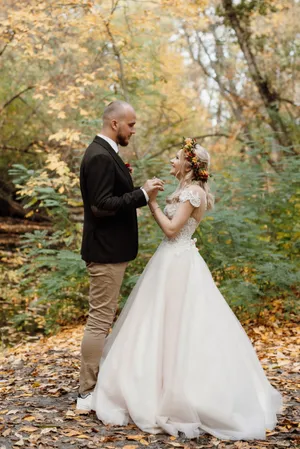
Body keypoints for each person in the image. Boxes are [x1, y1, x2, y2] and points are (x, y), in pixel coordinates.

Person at [92, 137, 282, 440]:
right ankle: (155, 382)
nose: (171, 161)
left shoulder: (193, 192)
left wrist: (151, 201)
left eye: (177, 157)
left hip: (178, 263)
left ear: (190, 166)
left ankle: (178, 392)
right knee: (159, 324)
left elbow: (170, 230)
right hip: (169, 261)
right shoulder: (184, 190)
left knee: (180, 325)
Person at [77, 101, 164, 412]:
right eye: (131, 124)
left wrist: (140, 193)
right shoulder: (99, 156)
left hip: (110, 250)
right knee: (99, 319)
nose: (134, 129)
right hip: (105, 251)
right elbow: (101, 205)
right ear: (114, 123)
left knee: (103, 317)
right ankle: (87, 392)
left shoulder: (105, 153)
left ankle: (95, 385)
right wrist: (141, 194)